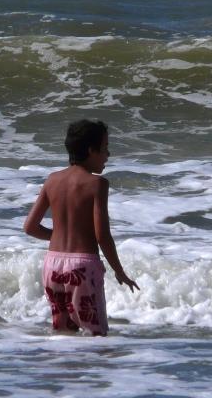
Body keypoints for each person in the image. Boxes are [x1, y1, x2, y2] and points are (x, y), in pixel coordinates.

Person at [24, 119, 139, 336]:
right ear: (90, 150)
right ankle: (91, 370)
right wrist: (119, 271)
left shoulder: (52, 180)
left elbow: (30, 227)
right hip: (82, 267)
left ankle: (65, 369)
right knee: (95, 335)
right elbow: (102, 235)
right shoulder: (97, 184)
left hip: (53, 265)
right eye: (104, 149)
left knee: (63, 333)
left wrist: (58, 235)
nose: (108, 155)